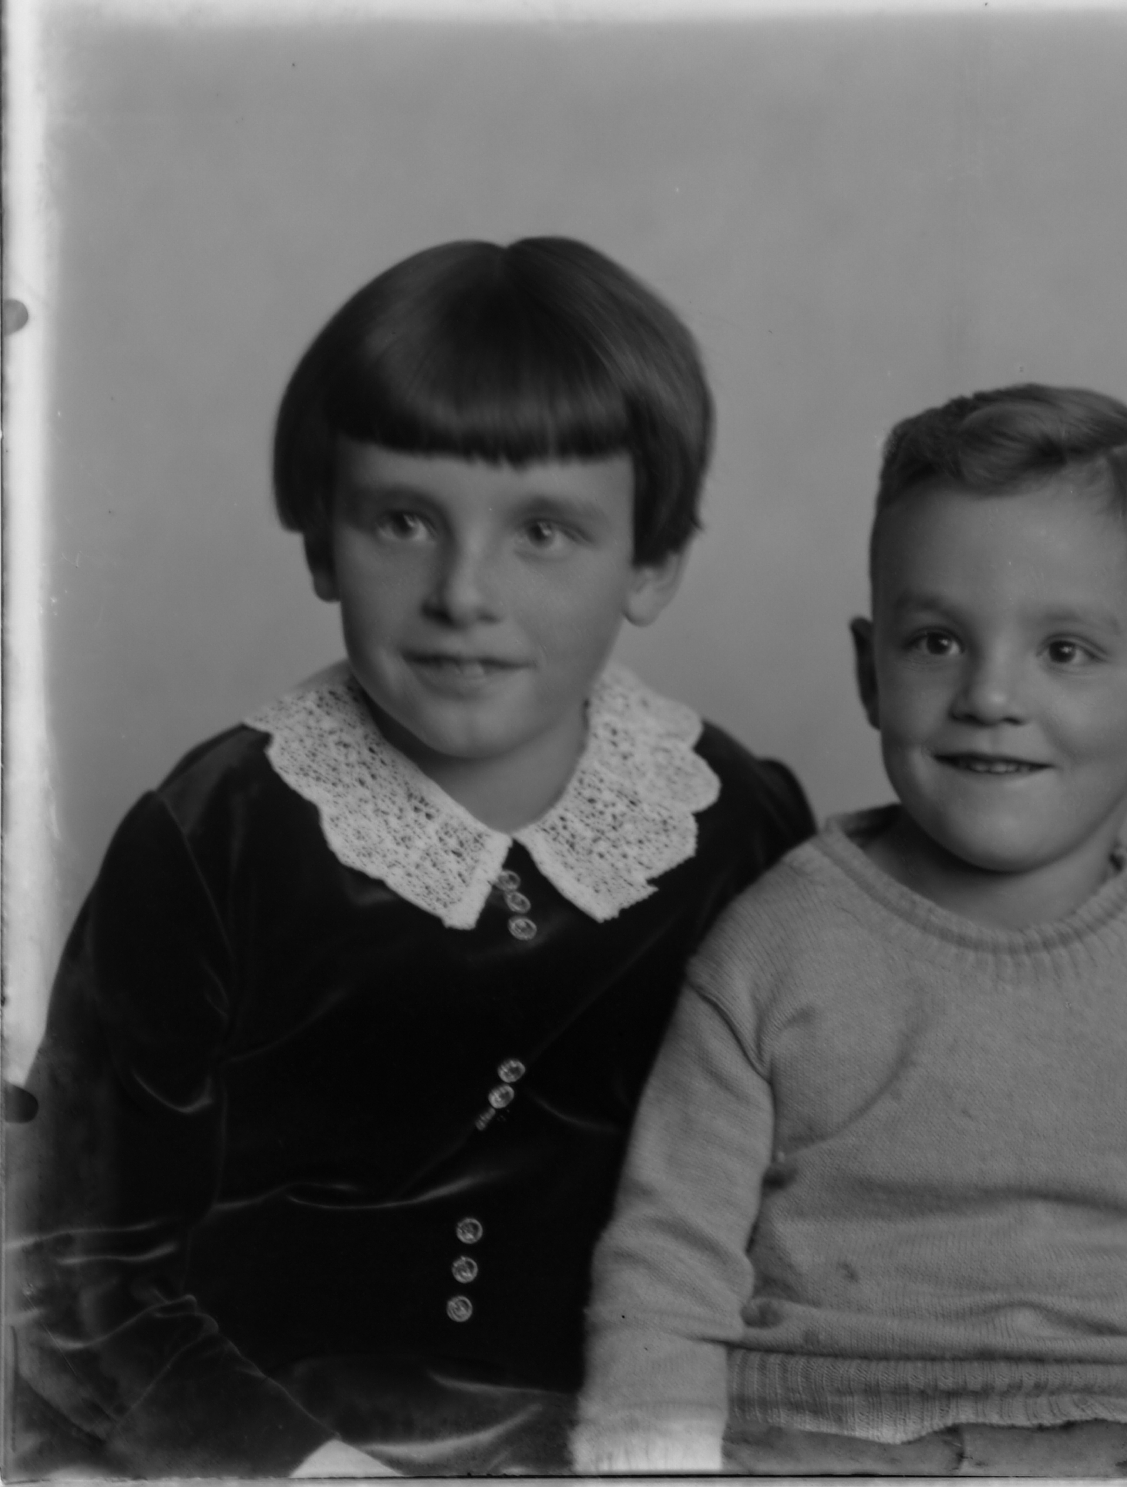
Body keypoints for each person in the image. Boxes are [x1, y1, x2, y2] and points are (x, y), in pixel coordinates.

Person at [7, 238, 813, 1477]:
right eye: (402, 520)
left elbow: (807, 1187)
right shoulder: (215, 834)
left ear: (650, 563)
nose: (463, 592)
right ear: (321, 541)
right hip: (273, 1435)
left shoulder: (734, 820)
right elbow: (81, 1263)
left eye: (544, 530)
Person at [572, 385, 1127, 1478]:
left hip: (1107, 1444)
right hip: (813, 1437)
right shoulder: (775, 945)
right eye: (936, 640)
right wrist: (651, 1456)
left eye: (1064, 650)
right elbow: (669, 1250)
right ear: (869, 671)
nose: (989, 694)